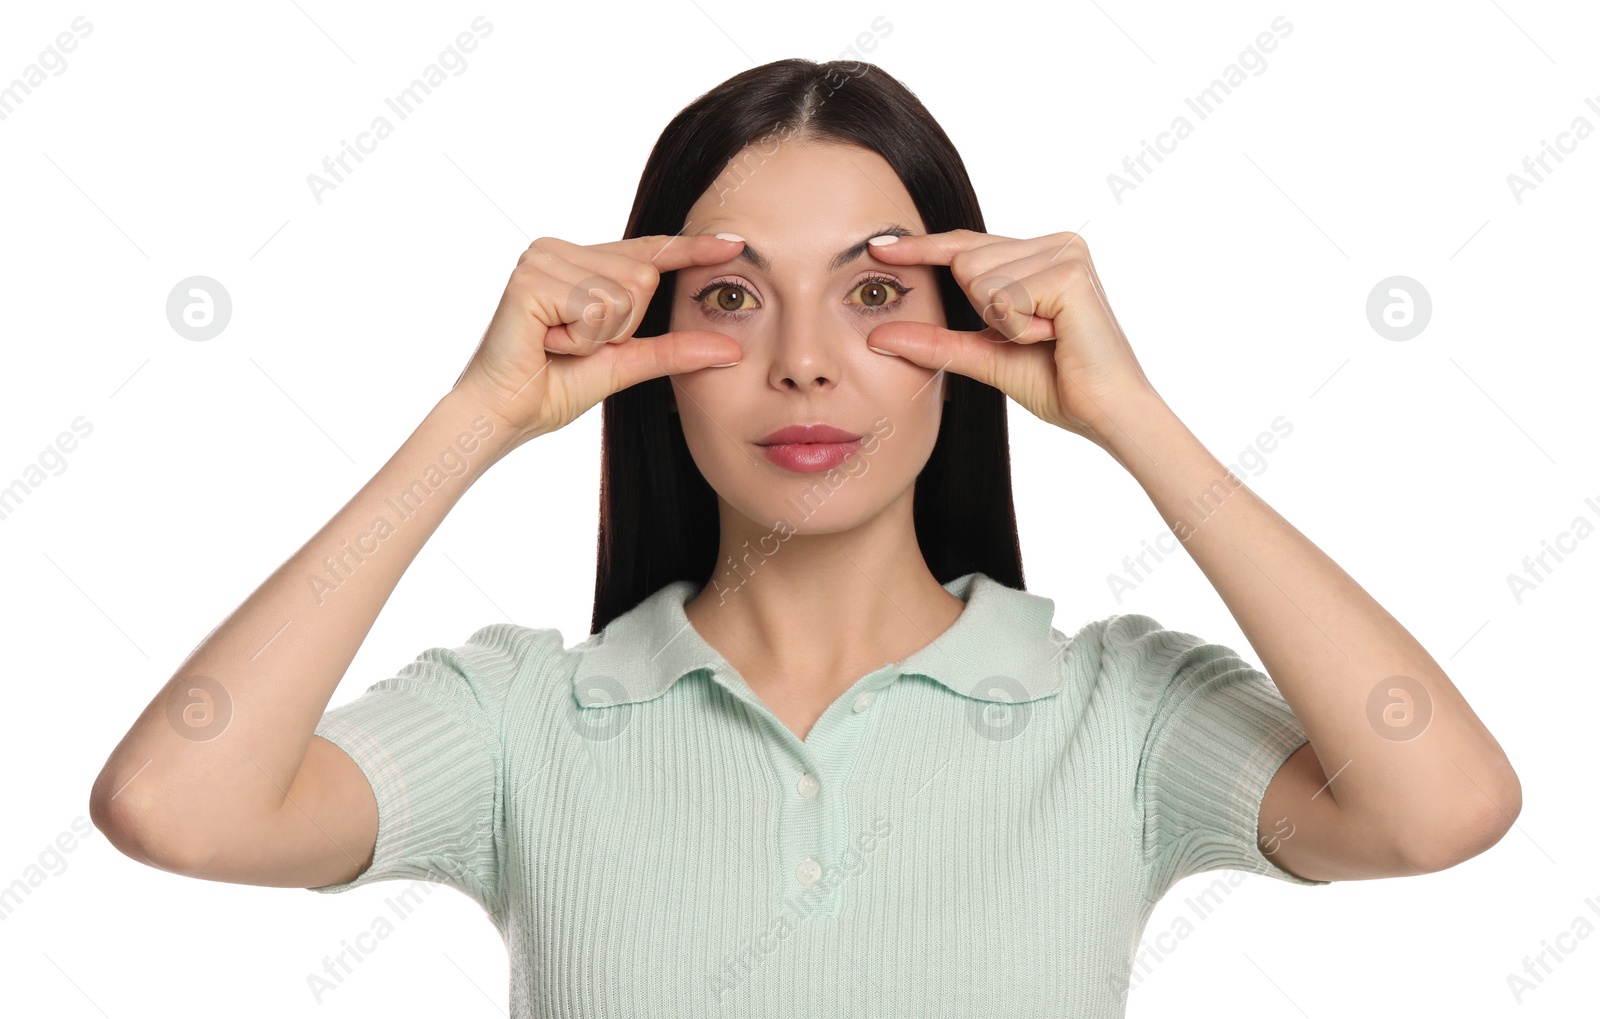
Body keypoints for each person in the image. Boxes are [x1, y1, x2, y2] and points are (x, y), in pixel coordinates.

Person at [89, 58, 1521, 1016]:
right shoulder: (527, 718)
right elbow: (178, 808)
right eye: (729, 297)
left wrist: (1132, 416)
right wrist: (478, 415)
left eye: (874, 293)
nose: (805, 363)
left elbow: (1439, 807)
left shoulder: (1114, 716)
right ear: (651, 338)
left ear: (966, 331)